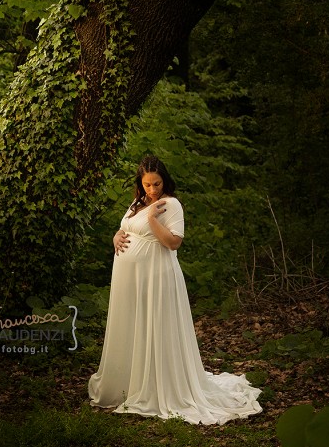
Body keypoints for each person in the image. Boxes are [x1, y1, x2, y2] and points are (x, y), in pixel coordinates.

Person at [87, 155, 262, 424]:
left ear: (164, 180)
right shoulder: (137, 203)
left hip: (156, 277)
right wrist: (116, 236)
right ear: (140, 183)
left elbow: (173, 243)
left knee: (155, 327)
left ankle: (156, 387)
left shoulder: (171, 205)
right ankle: (128, 382)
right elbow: (126, 228)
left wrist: (155, 219)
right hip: (130, 280)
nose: (152, 190)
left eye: (156, 184)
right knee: (134, 327)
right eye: (147, 185)